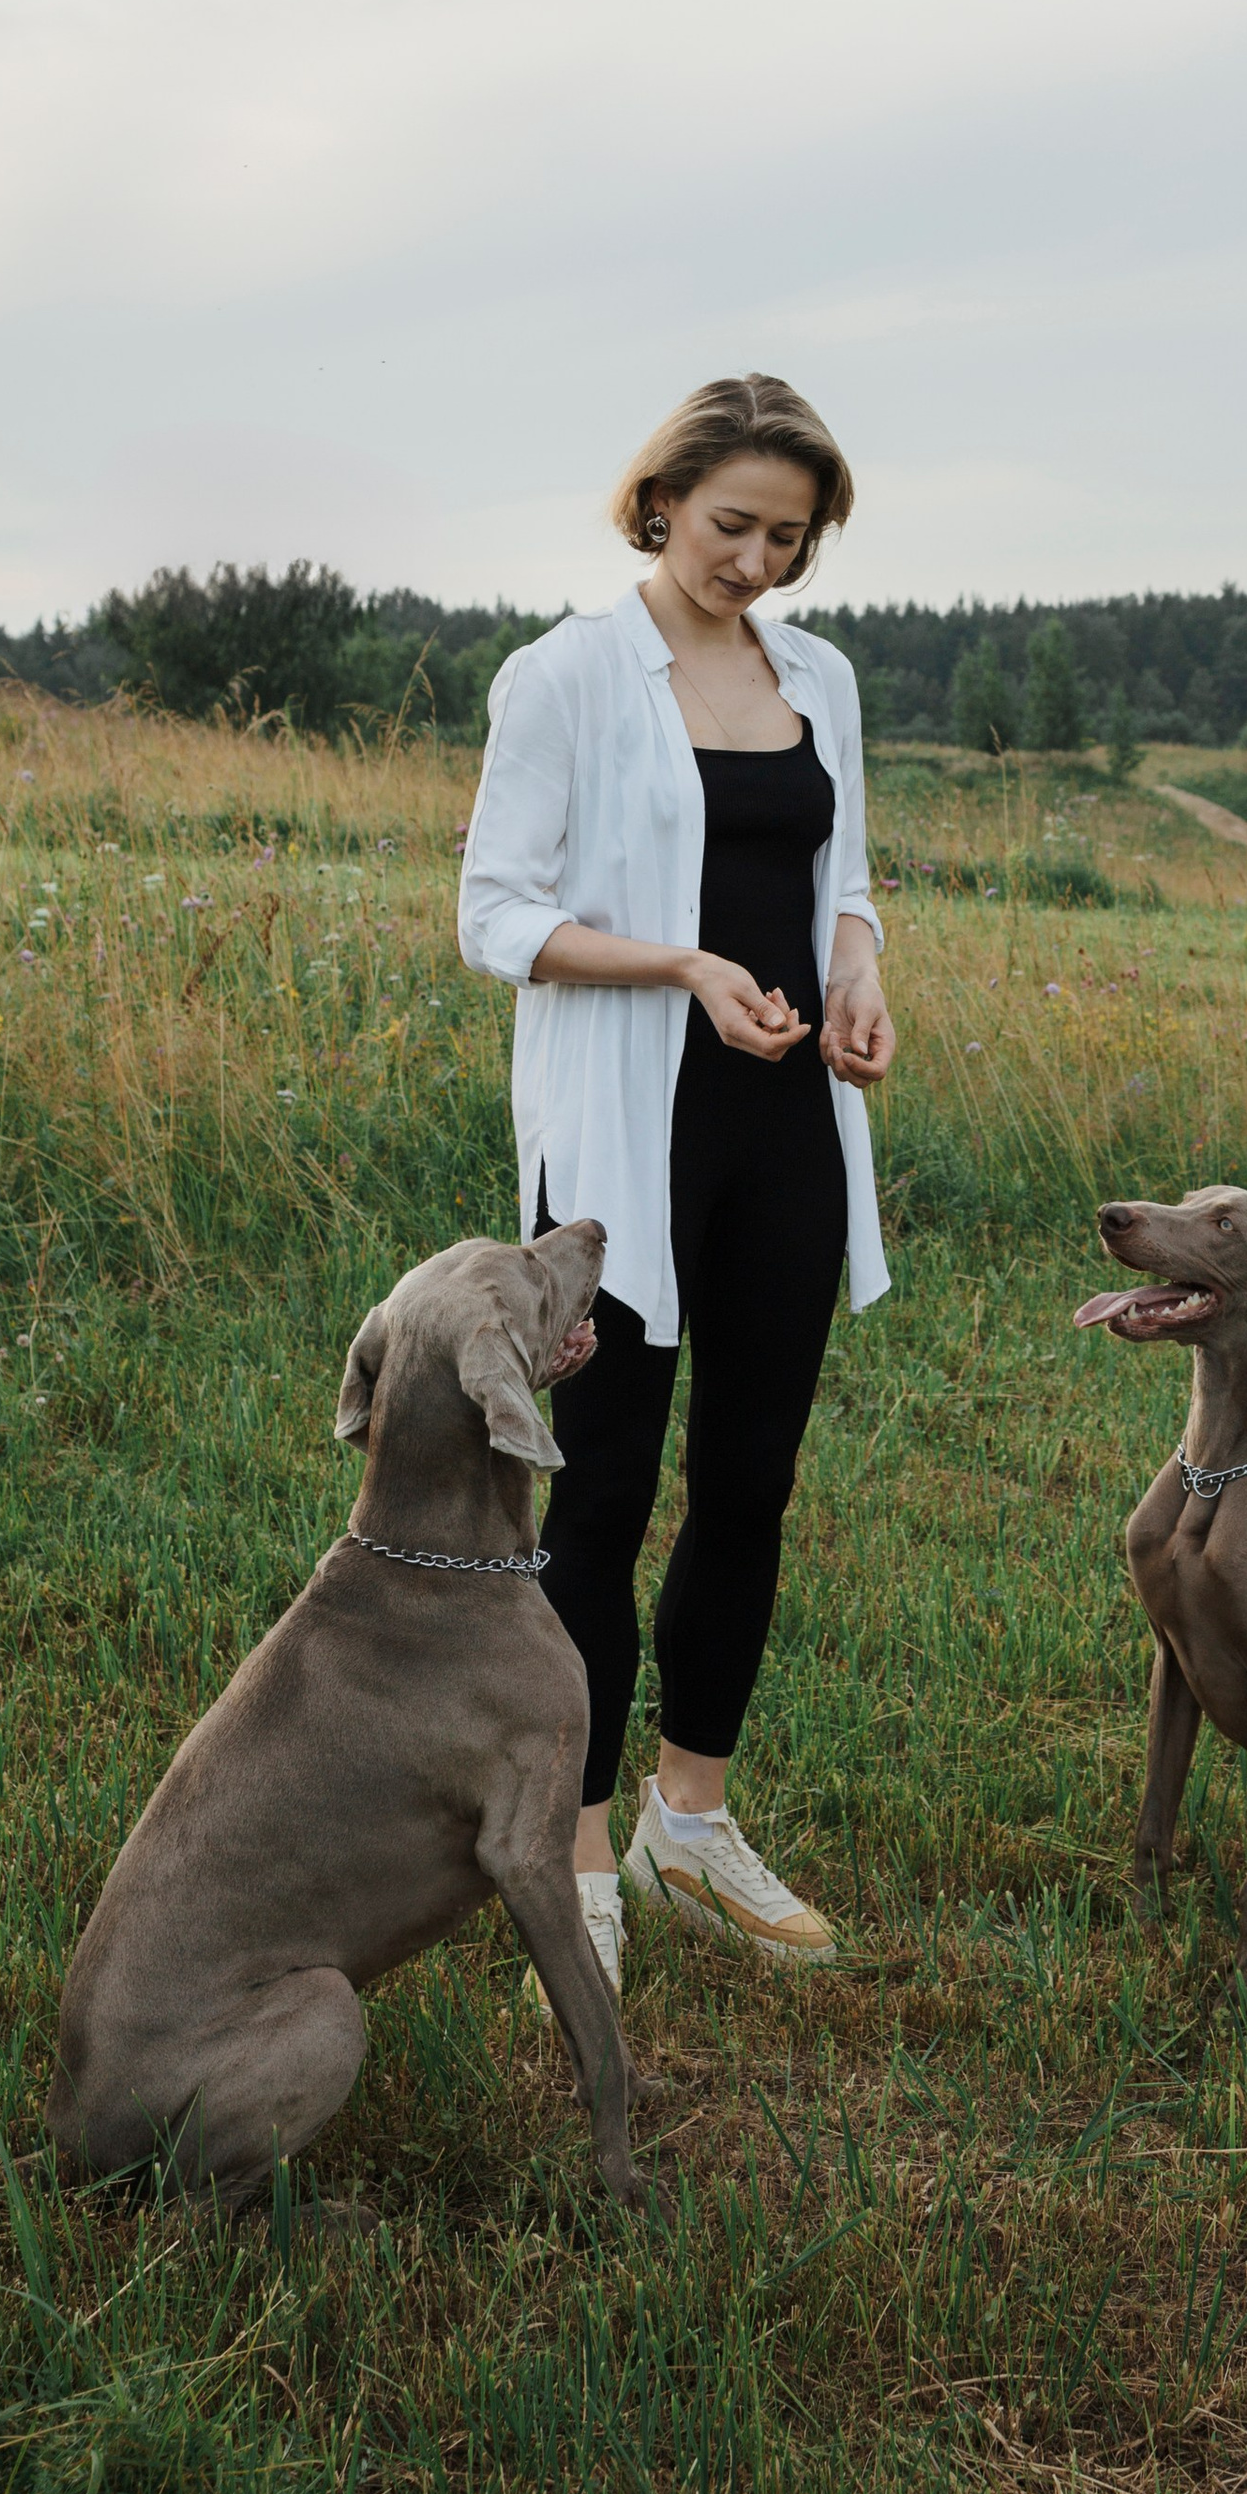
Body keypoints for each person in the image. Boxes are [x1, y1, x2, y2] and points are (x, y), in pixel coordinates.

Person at [456, 373, 895, 1993]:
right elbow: (496, 917)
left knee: (753, 1479)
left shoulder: (821, 678)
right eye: (733, 526)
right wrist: (687, 969)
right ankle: (573, 1852)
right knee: (604, 1491)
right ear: (661, 500)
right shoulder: (563, 676)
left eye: (790, 537)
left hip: (788, 1132)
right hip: (627, 1133)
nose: (759, 563)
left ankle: (689, 1823)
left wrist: (853, 978)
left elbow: (843, 875)